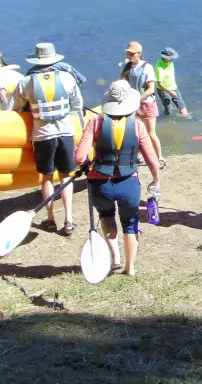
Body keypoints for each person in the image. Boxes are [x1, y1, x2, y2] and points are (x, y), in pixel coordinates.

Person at [74, 80, 161, 276]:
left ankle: (116, 258)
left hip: (100, 184)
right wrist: (155, 181)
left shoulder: (94, 123)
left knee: (106, 216)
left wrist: (86, 166)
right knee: (130, 223)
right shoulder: (138, 126)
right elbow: (153, 162)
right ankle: (130, 268)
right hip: (128, 184)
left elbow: (79, 157)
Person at [10, 42, 83, 235]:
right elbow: (77, 104)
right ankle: (69, 220)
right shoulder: (67, 77)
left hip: (43, 136)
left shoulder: (26, 82)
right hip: (66, 132)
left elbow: (15, 107)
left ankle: (50, 219)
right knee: (66, 176)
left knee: (47, 178)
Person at [120, 42, 165, 175]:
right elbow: (122, 83)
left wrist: (137, 99)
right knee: (137, 132)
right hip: (134, 105)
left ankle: (160, 158)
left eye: (132, 53)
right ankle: (139, 157)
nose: (130, 55)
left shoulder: (147, 67)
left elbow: (151, 89)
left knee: (151, 133)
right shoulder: (127, 67)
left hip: (147, 104)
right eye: (128, 53)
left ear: (139, 53)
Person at [155, 47, 191, 119]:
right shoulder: (159, 67)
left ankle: (189, 120)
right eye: (171, 58)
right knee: (168, 111)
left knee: (182, 106)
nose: (172, 60)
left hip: (173, 87)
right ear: (165, 58)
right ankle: (162, 120)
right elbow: (159, 83)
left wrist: (172, 90)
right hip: (163, 90)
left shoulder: (170, 61)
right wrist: (170, 92)